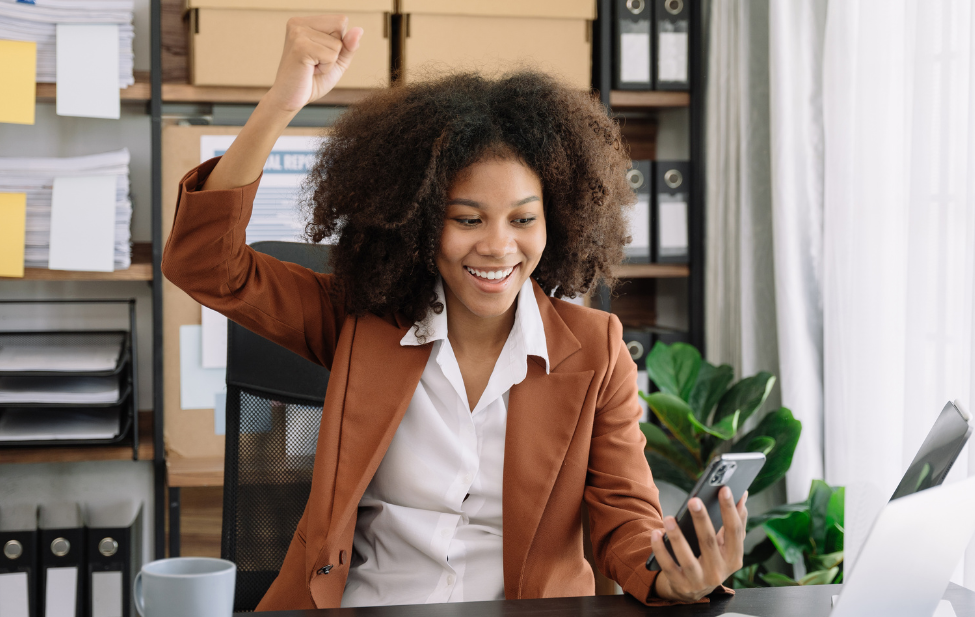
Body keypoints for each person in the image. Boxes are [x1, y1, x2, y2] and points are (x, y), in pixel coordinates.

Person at [161, 15, 748, 610]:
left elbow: (625, 519)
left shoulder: (596, 351)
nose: (497, 246)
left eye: (523, 219)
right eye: (467, 219)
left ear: (558, 221)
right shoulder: (362, 321)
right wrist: (279, 106)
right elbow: (206, 265)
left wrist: (671, 573)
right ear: (418, 222)